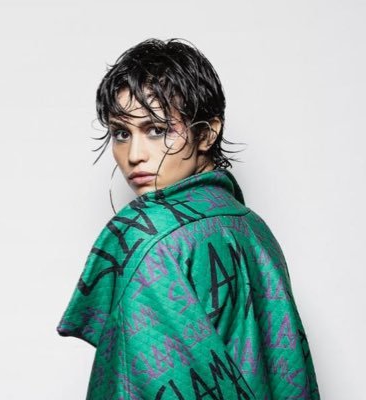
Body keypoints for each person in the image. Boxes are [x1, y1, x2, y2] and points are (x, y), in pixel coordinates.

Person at [57, 38, 320, 399]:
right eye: (121, 133)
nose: (134, 155)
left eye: (157, 130)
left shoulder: (143, 234)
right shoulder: (254, 228)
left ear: (207, 133)